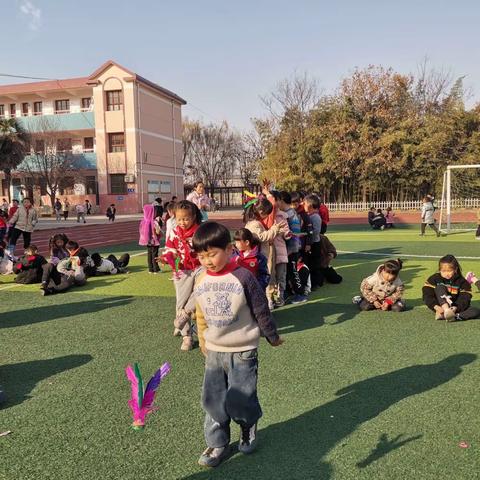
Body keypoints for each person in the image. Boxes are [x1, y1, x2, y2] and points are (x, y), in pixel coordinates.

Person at [186, 221, 283, 468]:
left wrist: (271, 336)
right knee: (212, 398)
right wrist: (204, 338)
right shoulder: (200, 279)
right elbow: (200, 311)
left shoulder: (243, 277)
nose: (207, 261)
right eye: (201, 256)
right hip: (215, 351)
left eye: (212, 254)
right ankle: (217, 442)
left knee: (242, 398)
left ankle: (248, 425)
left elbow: (261, 309)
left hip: (243, 351)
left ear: (230, 250)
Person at [163, 200, 203, 351]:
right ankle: (187, 336)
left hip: (200, 266)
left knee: (201, 290)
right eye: (179, 219)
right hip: (182, 269)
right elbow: (170, 249)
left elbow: (206, 247)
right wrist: (167, 258)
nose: (182, 222)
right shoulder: (174, 232)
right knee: (181, 302)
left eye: (186, 218)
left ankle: (187, 313)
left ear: (193, 217)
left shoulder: (200, 231)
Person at [243, 197, 289, 307]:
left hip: (258, 255)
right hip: (259, 256)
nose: (268, 216)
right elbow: (262, 237)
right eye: (267, 214)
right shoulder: (255, 224)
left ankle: (267, 300)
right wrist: (274, 229)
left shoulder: (253, 223)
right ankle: (267, 301)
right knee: (264, 278)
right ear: (261, 212)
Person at [422, 254, 479, 321]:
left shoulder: (462, 281)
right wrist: (436, 306)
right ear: (439, 270)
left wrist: (456, 308)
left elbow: (465, 297)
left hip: (455, 307)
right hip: (440, 306)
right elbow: (427, 294)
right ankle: (445, 310)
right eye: (443, 271)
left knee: (476, 311)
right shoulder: (435, 278)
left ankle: (453, 317)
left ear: (455, 269)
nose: (446, 274)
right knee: (440, 287)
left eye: (449, 271)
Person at [278, 191, 308, 304]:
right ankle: (289, 292)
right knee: (289, 272)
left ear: (281, 201)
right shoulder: (290, 212)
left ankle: (300, 294)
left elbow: (293, 234)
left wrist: (290, 248)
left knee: (293, 271)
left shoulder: (289, 214)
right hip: (291, 247)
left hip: (292, 248)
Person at [139, 204, 163, 274]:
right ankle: (156, 269)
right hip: (154, 241)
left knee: (149, 254)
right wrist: (161, 232)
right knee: (155, 254)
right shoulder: (154, 222)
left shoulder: (143, 221)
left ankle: (150, 269)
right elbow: (158, 232)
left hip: (147, 241)